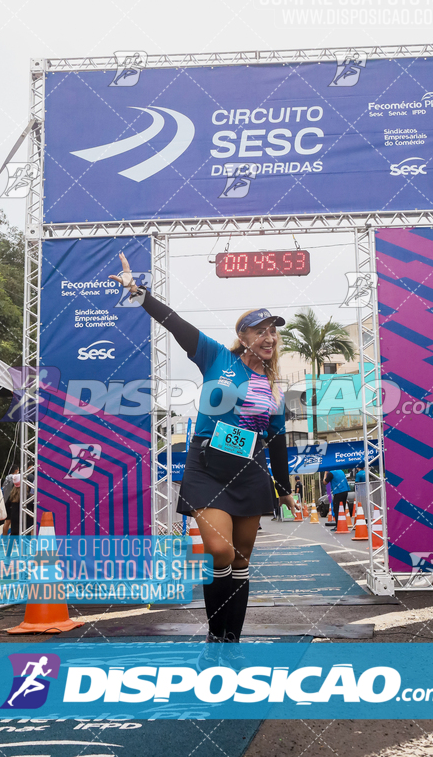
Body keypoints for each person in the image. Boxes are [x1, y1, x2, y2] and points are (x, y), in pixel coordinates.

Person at [110, 252, 295, 643]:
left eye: (273, 331)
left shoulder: (276, 386)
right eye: (259, 330)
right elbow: (175, 323)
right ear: (243, 337)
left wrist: (287, 488)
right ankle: (215, 632)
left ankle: (229, 641)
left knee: (241, 561)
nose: (268, 337)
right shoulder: (216, 357)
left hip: (251, 471)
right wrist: (137, 292)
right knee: (220, 552)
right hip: (208, 466)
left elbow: (277, 441)